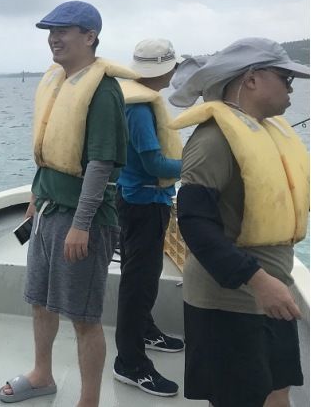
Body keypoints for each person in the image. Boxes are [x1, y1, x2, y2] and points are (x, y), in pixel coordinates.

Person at [0, 1, 132, 406]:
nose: (54, 38)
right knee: (40, 301)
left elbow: (100, 163)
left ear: (90, 36)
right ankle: (42, 373)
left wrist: (82, 224)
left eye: (64, 30)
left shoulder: (104, 90)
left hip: (82, 218)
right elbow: (51, 150)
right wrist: (35, 198)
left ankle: (88, 400)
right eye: (50, 31)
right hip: (47, 211)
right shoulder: (58, 79)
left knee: (84, 317)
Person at [170, 38, 309, 407]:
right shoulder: (213, 140)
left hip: (271, 295)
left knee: (278, 390)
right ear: (251, 79)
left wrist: (269, 287)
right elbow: (195, 223)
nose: (292, 87)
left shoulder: (269, 131)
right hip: (230, 304)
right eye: (284, 77)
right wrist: (259, 282)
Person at [113, 39, 184, 397]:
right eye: (173, 66)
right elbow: (155, 164)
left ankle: (145, 329)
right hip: (143, 204)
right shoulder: (140, 109)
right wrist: (195, 164)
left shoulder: (137, 99)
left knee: (141, 275)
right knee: (138, 283)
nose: (175, 71)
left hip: (134, 200)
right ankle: (130, 363)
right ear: (164, 69)